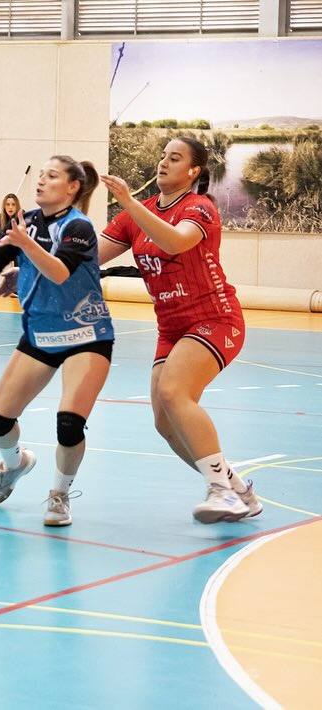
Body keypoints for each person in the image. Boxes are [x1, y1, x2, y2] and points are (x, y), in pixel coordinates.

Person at [0, 156, 114, 526]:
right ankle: (15, 464)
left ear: (72, 187)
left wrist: (26, 245)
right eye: (40, 175)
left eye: (52, 176)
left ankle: (60, 495)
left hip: (86, 335)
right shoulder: (24, 223)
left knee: (69, 424)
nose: (41, 181)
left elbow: (60, 273)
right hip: (40, 335)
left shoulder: (78, 227)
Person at [98, 136, 261, 523]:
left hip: (215, 318)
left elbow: (174, 242)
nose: (163, 162)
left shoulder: (199, 207)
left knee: (174, 391)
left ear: (193, 171)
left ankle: (220, 492)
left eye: (175, 158)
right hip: (171, 328)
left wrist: (129, 202)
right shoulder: (138, 213)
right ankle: (238, 490)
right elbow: (86, 258)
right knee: (165, 422)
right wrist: (31, 258)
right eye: (162, 156)